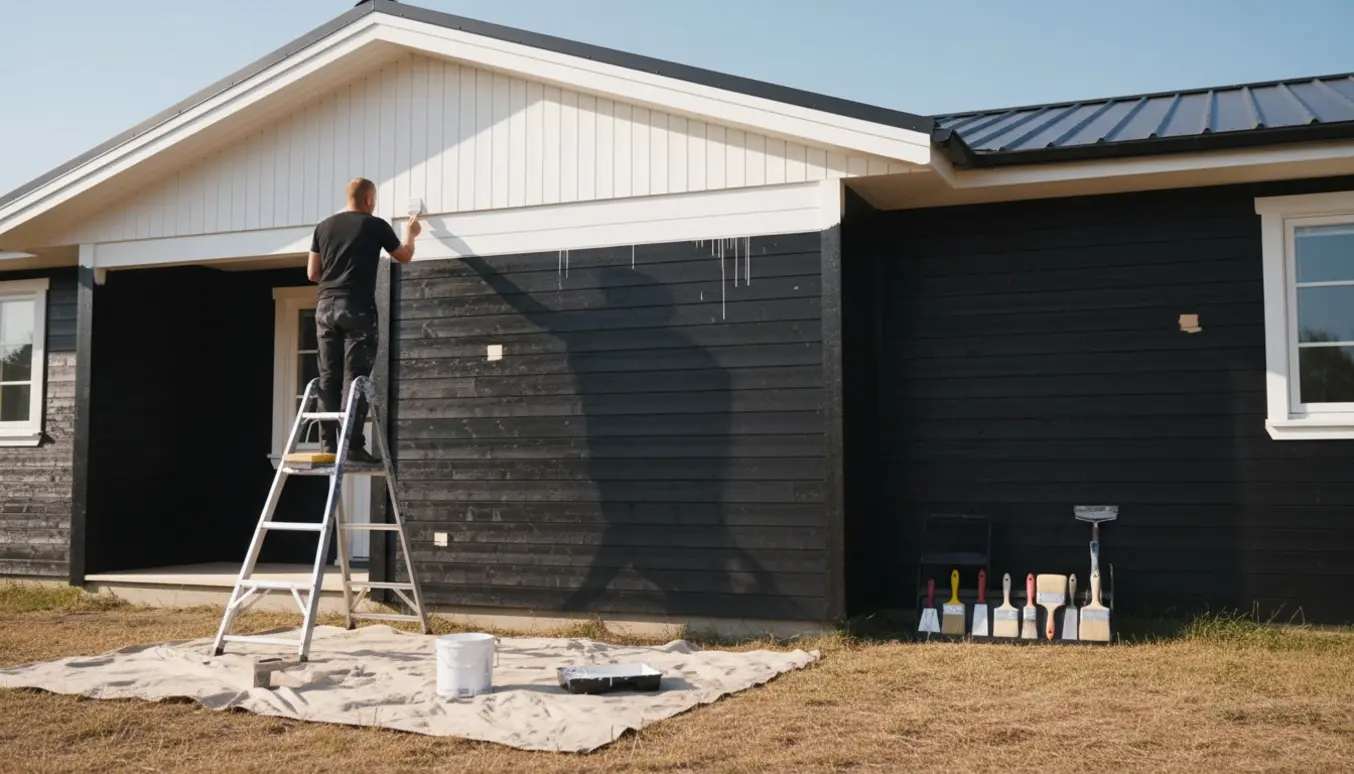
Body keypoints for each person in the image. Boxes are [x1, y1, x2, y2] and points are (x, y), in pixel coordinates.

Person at [306, 177, 421, 463]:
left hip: (324, 308)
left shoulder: (323, 227)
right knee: (354, 377)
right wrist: (411, 233)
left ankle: (328, 446)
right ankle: (353, 446)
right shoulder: (375, 225)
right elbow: (403, 256)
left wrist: (335, 279)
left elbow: (312, 273)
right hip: (355, 307)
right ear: (369, 200)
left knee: (329, 377)